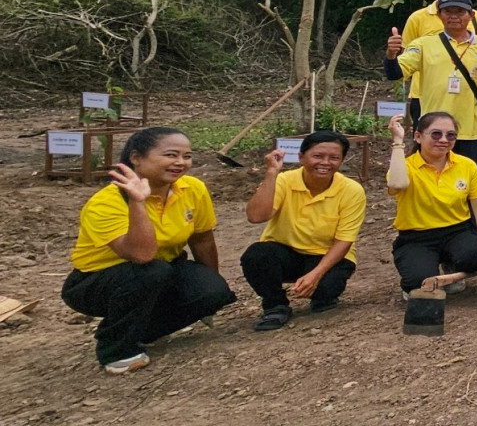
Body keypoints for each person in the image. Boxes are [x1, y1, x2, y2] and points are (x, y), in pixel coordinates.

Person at [63, 126, 234, 373]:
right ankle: (115, 348)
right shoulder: (106, 202)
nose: (180, 163)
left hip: (164, 268)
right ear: (136, 158)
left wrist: (210, 294)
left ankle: (140, 331)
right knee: (152, 271)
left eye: (187, 156)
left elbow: (202, 239)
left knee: (213, 292)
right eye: (170, 155)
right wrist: (138, 202)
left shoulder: (192, 188)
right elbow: (140, 255)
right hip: (102, 280)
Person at [241, 130, 366, 331]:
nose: (325, 162)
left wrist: (315, 275)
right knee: (256, 256)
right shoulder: (284, 181)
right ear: (301, 157)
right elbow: (256, 217)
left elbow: (344, 240)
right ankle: (275, 306)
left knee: (327, 289)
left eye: (334, 158)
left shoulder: (351, 190)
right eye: (317, 156)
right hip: (286, 251)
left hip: (325, 256)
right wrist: (271, 173)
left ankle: (323, 296)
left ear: (342, 161)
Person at [385, 0, 477, 170]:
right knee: (429, 181)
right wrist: (391, 55)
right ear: (440, 15)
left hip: (469, 132)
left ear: (471, 15)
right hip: (433, 131)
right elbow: (395, 73)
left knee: (469, 185)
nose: (453, 16)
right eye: (448, 11)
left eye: (460, 11)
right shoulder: (423, 45)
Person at [386, 110, 477, 298]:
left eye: (450, 135)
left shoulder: (466, 165)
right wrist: (398, 142)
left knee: (475, 257)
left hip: (457, 231)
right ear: (418, 137)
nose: (444, 140)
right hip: (416, 236)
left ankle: (451, 266)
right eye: (436, 134)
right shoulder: (405, 166)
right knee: (417, 282)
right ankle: (426, 268)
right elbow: (397, 184)